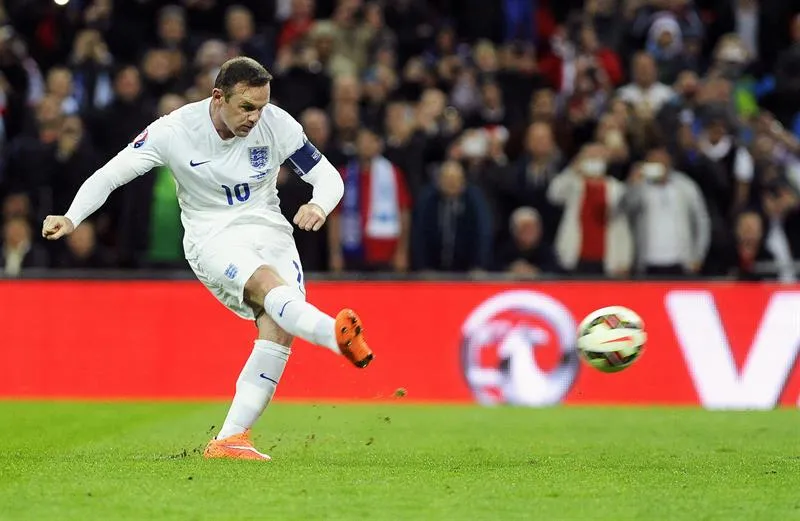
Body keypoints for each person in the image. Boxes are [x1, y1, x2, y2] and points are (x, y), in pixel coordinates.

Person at [40, 57, 374, 462]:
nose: (255, 117)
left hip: (268, 228)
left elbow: (328, 177)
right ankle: (333, 335)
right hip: (212, 235)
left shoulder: (276, 124)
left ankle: (231, 439)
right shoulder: (175, 130)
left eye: (261, 107)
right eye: (246, 107)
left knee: (280, 326)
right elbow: (111, 174)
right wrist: (71, 217)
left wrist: (319, 205)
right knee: (268, 286)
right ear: (218, 97)